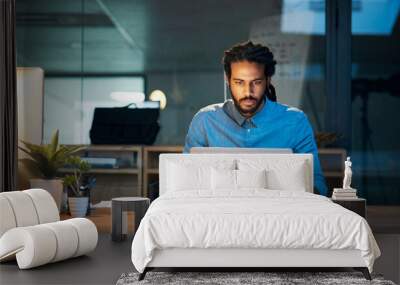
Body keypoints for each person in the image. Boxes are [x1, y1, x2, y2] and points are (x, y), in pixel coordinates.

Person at [183, 41, 328, 196]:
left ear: (268, 80)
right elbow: (186, 181)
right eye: (239, 82)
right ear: (227, 79)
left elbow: (317, 185)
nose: (248, 92)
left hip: (278, 211)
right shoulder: (205, 121)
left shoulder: (295, 122)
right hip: (220, 211)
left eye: (256, 82)